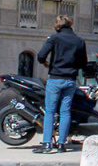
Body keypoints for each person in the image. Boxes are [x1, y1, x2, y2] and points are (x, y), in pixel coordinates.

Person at [34, 14, 86, 153]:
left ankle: (47, 144)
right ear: (70, 25)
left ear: (57, 26)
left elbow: (41, 56)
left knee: (50, 112)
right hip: (70, 80)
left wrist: (46, 63)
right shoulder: (79, 41)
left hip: (55, 79)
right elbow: (83, 62)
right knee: (65, 112)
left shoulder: (54, 39)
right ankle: (62, 144)